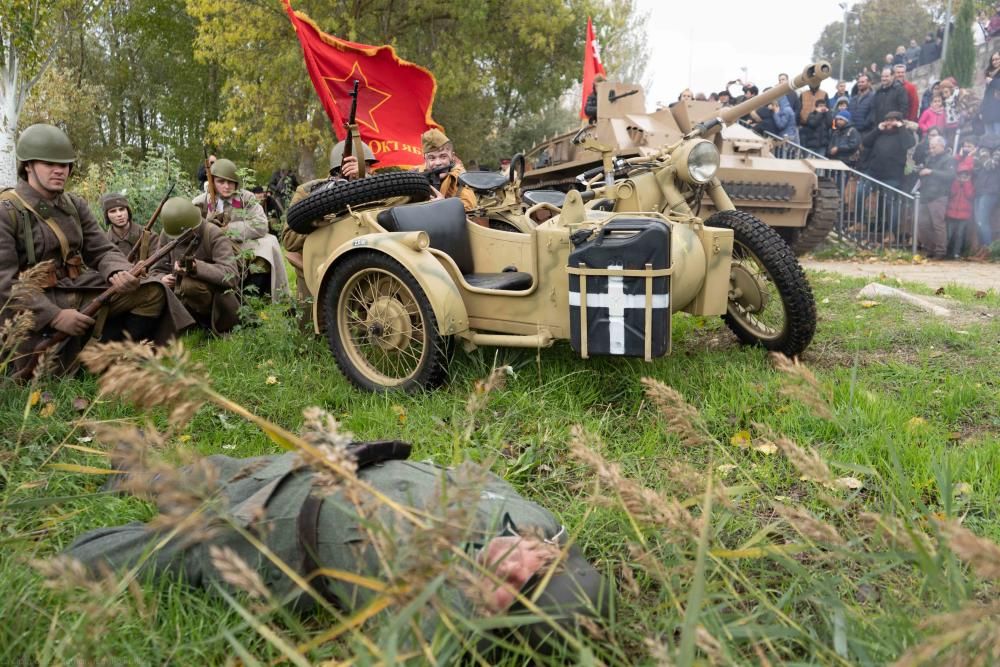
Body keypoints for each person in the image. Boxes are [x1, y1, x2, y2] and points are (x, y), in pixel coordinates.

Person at [64, 442, 608, 653]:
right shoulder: (538, 523)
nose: (510, 568)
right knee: (201, 472)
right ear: (556, 550)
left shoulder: (438, 612)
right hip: (328, 463)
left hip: (271, 535)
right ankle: (127, 473)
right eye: (533, 567)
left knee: (114, 558)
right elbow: (472, 472)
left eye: (514, 595)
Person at [0, 124, 171, 376]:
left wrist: (118, 271)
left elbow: (101, 249)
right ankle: (83, 359)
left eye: (65, 164)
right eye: (49, 164)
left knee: (152, 291)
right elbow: (4, 284)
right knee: (41, 374)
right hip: (34, 305)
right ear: (27, 165)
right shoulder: (7, 211)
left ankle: (113, 357)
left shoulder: (74, 204)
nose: (60, 170)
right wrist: (54, 316)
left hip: (78, 287)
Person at [280, 140, 379, 322]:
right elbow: (288, 239)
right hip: (319, 266)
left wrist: (368, 183)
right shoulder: (308, 192)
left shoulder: (379, 188)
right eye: (358, 167)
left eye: (367, 168)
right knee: (311, 332)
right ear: (339, 169)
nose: (367, 172)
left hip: (366, 264)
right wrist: (319, 217)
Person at [193, 159, 289, 303]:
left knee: (269, 244)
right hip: (213, 247)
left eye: (230, 182)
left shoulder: (246, 197)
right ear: (212, 182)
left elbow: (261, 224)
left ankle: (252, 297)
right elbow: (190, 228)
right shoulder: (200, 202)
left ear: (237, 183)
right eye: (221, 182)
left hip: (241, 242)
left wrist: (228, 230)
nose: (226, 186)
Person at [150, 197, 240, 334]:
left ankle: (208, 323)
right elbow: (156, 269)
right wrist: (162, 278)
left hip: (216, 297)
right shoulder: (168, 234)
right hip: (178, 296)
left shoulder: (213, 233)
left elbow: (231, 275)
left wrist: (196, 267)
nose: (179, 239)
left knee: (189, 286)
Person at [916, 135, 956, 259]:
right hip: (925, 194)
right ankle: (930, 248)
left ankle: (940, 251)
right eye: (930, 147)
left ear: (941, 146)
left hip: (939, 195)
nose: (931, 149)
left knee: (938, 224)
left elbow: (950, 175)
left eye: (933, 147)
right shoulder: (929, 158)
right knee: (922, 224)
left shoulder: (949, 159)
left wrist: (932, 172)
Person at [421, 129, 477, 211]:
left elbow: (471, 211)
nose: (438, 163)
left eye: (443, 156)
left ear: (452, 157)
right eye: (432, 158)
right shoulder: (417, 178)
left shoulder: (461, 181)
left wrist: (445, 206)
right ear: (425, 159)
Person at [971, 133, 1000, 260]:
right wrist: (976, 157)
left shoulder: (998, 152)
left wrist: (983, 154)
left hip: (991, 190)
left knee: (983, 221)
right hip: (980, 189)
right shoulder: (982, 153)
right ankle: (983, 249)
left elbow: (991, 165)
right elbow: (976, 169)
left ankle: (988, 250)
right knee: (978, 221)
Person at [100, 193, 151, 259]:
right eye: (113, 211)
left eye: (122, 209)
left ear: (128, 211)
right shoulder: (103, 243)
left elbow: (158, 265)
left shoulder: (147, 235)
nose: (119, 214)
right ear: (107, 216)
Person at [945, 159, 975, 259]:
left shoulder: (970, 184)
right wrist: (958, 183)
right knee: (949, 234)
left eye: (965, 175)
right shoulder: (954, 183)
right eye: (961, 175)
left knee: (960, 235)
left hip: (964, 215)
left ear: (968, 176)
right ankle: (946, 252)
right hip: (951, 213)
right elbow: (951, 194)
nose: (963, 177)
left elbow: (970, 196)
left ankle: (956, 253)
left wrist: (966, 184)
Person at [981, 51, 1000, 136]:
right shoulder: (989, 74)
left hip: (998, 113)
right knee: (988, 139)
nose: (995, 62)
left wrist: (992, 81)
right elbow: (986, 95)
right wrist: (981, 110)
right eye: (993, 60)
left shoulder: (991, 79)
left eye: (997, 59)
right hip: (988, 112)